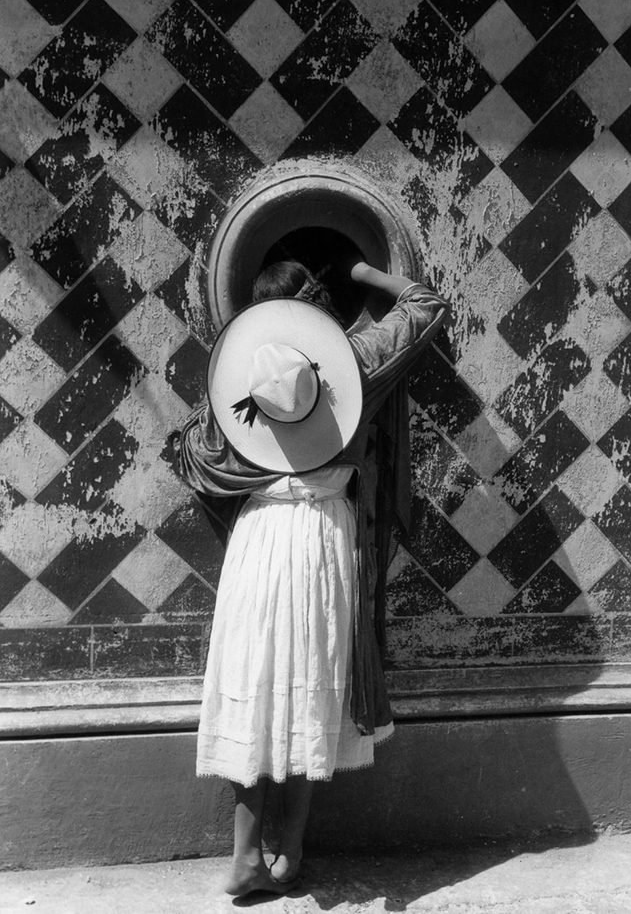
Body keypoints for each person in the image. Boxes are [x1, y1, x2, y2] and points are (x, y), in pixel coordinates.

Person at [176, 256, 446, 897]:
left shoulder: (245, 376)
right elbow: (426, 307)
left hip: (260, 537)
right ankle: (289, 850)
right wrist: (372, 276)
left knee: (258, 683)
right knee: (310, 686)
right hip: (323, 535)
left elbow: (194, 453)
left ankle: (245, 855)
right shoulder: (356, 362)